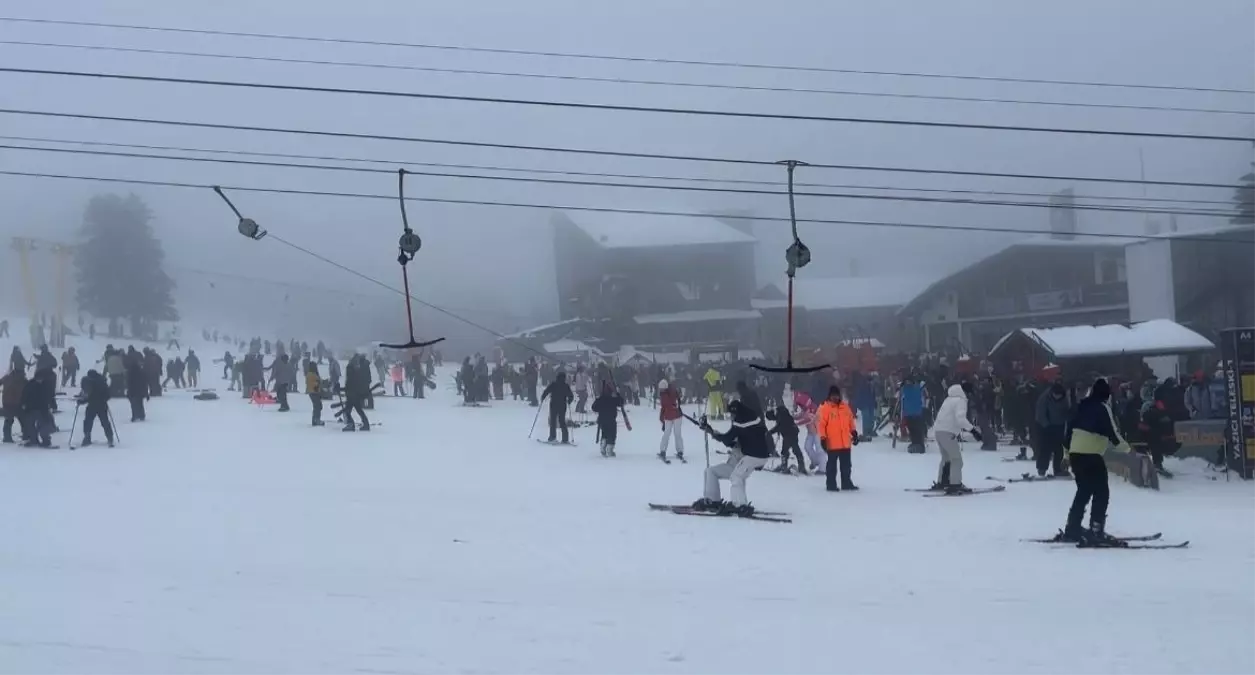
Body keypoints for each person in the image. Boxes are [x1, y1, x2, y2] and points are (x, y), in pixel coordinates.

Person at [1061, 378, 1131, 545]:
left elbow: (1067, 433)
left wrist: (1066, 456)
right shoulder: (1102, 407)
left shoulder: (1080, 406)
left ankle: (1073, 527)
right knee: (1101, 492)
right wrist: (1129, 450)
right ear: (1106, 395)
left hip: (1075, 455)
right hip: (1091, 455)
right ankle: (1096, 530)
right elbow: (1113, 433)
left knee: (1083, 491)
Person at [692, 400, 771, 516]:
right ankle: (712, 501)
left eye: (732, 414)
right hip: (742, 456)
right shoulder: (748, 422)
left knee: (736, 476)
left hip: (753, 455)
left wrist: (709, 429)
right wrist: (710, 430)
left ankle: (740, 505)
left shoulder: (742, 422)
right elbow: (731, 440)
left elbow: (728, 438)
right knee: (710, 471)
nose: (731, 417)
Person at [931, 383, 981, 493]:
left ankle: (942, 482)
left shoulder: (948, 399)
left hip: (938, 431)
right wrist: (973, 431)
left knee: (946, 458)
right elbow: (960, 419)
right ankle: (955, 484)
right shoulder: (961, 401)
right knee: (957, 459)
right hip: (948, 433)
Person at [817, 385, 859, 491]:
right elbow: (821, 425)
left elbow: (850, 421)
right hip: (832, 443)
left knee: (846, 466)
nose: (835, 398)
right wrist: (823, 438)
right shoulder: (825, 408)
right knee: (831, 467)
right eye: (833, 396)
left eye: (836, 395)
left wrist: (854, 432)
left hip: (845, 442)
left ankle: (846, 483)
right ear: (829, 396)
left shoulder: (845, 407)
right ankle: (831, 485)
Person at [1035, 382, 1071, 478]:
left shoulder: (1065, 398)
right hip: (1046, 425)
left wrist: (1066, 419)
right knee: (1045, 448)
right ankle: (1042, 468)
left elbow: (1067, 410)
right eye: (1055, 395)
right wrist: (1046, 426)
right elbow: (1040, 413)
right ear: (1052, 393)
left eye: (1059, 395)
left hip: (1060, 425)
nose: (1057, 397)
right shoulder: (1044, 398)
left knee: (1059, 449)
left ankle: (1058, 469)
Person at [76, 369, 114, 447]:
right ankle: (110, 437)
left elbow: (89, 395)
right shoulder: (102, 381)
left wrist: (81, 401)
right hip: (102, 405)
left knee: (88, 421)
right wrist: (104, 400)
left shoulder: (89, 381)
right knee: (105, 422)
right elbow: (108, 395)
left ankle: (87, 437)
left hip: (92, 405)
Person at [768, 403, 806, 475]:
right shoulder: (784, 415)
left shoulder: (782, 416)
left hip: (788, 434)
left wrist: (770, 432)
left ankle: (784, 466)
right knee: (795, 449)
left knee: (784, 451)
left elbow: (779, 426)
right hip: (793, 433)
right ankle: (801, 466)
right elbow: (777, 422)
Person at [591, 381, 623, 457]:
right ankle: (609, 448)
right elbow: (621, 403)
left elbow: (594, 407)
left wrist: (599, 407)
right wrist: (618, 395)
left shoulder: (601, 398)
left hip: (602, 419)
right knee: (612, 434)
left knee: (604, 433)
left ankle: (603, 445)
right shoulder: (613, 399)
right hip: (611, 419)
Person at [540, 372, 574, 444]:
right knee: (562, 421)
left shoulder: (554, 384)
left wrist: (543, 397)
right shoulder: (566, 386)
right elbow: (571, 396)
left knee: (553, 421)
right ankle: (565, 439)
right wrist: (569, 401)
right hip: (562, 405)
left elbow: (546, 391)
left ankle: (552, 437)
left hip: (554, 404)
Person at [658, 379, 685, 462]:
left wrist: (674, 406)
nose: (661, 390)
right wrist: (662, 419)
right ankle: (663, 450)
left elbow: (676, 403)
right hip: (668, 416)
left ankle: (680, 451)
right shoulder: (663, 394)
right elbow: (663, 407)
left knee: (677, 434)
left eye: (662, 389)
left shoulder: (673, 392)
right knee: (667, 434)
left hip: (676, 416)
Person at [342, 354, 371, 431]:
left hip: (352, 393)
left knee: (348, 410)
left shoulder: (351, 369)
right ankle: (366, 424)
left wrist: (347, 390)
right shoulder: (357, 369)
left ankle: (351, 424)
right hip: (355, 393)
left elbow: (350, 382)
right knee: (358, 409)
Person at [900, 375, 926, 453]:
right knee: (912, 430)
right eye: (907, 382)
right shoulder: (905, 389)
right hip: (909, 414)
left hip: (916, 413)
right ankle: (915, 443)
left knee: (917, 430)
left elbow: (923, 385)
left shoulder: (916, 388)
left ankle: (920, 445)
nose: (908, 383)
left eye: (909, 381)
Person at [1, 367, 27, 443]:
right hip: (17, 402)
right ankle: (26, 435)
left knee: (9, 420)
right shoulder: (22, 379)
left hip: (7, 402)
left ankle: (7, 437)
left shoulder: (7, 377)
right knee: (23, 419)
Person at [126, 355, 148, 422]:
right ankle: (141, 415)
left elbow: (128, 382)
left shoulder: (130, 372)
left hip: (132, 390)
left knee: (133, 404)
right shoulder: (141, 371)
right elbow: (144, 382)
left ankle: (134, 416)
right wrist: (146, 392)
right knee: (140, 403)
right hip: (140, 390)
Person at [306, 362, 325, 427]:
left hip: (316, 392)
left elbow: (318, 380)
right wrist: (318, 383)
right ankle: (316, 420)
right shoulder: (310, 374)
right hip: (313, 392)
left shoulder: (314, 374)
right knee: (317, 406)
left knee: (318, 406)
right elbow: (310, 383)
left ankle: (316, 419)